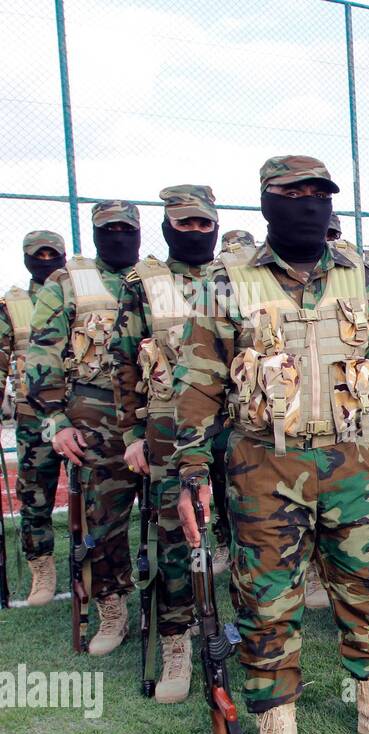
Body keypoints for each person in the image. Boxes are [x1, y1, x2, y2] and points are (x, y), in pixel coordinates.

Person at [174, 155, 369, 734]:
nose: (307, 203)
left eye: (318, 193)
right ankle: (276, 730)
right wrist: (190, 469)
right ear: (266, 202)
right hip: (263, 463)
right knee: (267, 596)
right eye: (291, 194)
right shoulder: (227, 281)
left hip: (352, 460)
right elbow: (199, 379)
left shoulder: (360, 276)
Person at [113, 184, 221, 701]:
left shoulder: (235, 280)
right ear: (167, 226)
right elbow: (123, 363)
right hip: (167, 429)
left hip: (236, 425)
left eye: (204, 223)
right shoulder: (143, 283)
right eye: (185, 224)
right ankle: (176, 642)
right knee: (177, 536)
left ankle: (238, 634)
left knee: (249, 533)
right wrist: (132, 433)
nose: (196, 232)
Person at [26, 201, 143, 653]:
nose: (117, 236)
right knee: (103, 522)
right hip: (94, 420)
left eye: (124, 228)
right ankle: (111, 609)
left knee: (169, 522)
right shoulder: (67, 283)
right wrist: (56, 420)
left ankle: (173, 615)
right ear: (95, 232)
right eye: (107, 229)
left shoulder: (154, 279)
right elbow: (42, 355)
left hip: (153, 417)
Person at [1, 230, 66, 606]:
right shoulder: (13, 305)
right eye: (37, 255)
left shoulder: (77, 296)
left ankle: (89, 564)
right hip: (31, 419)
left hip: (77, 417)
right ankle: (41, 566)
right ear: (27, 259)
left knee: (90, 498)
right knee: (35, 495)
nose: (45, 260)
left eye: (51, 253)